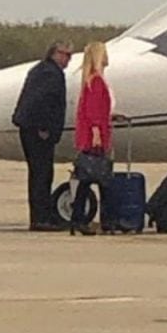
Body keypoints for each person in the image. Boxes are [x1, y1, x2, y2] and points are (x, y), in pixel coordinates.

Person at [12, 41, 73, 231]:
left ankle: (42, 216)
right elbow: (41, 101)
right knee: (41, 174)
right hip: (37, 130)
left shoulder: (43, 70)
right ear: (55, 53)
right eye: (65, 55)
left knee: (41, 173)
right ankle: (40, 219)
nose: (68, 60)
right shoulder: (49, 73)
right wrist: (44, 127)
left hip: (32, 128)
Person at [71, 41, 114, 236]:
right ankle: (106, 220)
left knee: (86, 179)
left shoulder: (90, 81)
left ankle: (78, 219)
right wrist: (97, 131)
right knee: (100, 178)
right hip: (94, 135)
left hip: (90, 133)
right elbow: (93, 109)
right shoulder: (96, 81)